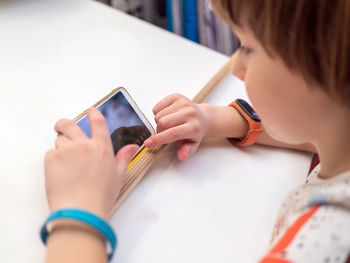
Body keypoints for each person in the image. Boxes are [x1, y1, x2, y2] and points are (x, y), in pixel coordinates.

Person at [43, 0, 350, 262]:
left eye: (248, 48)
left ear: (321, 65)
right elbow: (320, 129)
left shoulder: (321, 238)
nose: (236, 67)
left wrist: (78, 215)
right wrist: (227, 119)